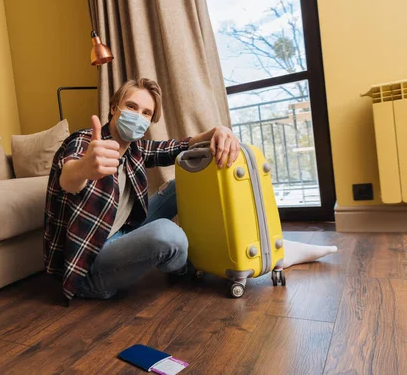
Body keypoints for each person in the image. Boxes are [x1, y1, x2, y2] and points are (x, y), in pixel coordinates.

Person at [43, 78, 336, 303]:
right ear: (114, 108)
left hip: (122, 232)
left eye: (146, 113)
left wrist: (218, 131)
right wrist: (85, 169)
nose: (138, 116)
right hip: (90, 267)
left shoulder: (135, 149)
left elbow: (179, 146)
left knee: (179, 184)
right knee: (169, 235)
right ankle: (198, 260)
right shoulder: (83, 143)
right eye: (131, 107)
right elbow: (68, 178)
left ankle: (266, 248)